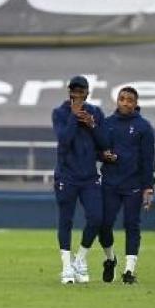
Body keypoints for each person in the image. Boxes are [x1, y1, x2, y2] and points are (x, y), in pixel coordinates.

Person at [52, 75, 108, 284]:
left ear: (87, 92)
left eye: (80, 91)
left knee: (96, 218)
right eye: (73, 91)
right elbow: (64, 141)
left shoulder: (96, 112)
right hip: (66, 175)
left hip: (89, 177)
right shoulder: (59, 113)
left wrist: (92, 125)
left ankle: (80, 260)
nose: (76, 94)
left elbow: (105, 143)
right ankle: (66, 267)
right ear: (69, 92)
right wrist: (74, 118)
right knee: (65, 220)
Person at [98, 87, 155, 284]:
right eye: (122, 99)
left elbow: (148, 160)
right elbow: (98, 150)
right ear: (117, 101)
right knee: (103, 225)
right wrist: (104, 156)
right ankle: (110, 259)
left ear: (136, 102)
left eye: (129, 100)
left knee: (132, 226)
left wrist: (148, 187)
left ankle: (129, 271)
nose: (125, 103)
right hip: (110, 183)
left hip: (134, 185)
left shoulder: (144, 127)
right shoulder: (107, 124)